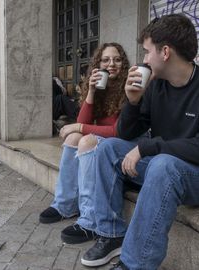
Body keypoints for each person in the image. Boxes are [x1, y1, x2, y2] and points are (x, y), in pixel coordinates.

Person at [81, 14, 199, 269]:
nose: (144, 59)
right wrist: (132, 102)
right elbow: (124, 134)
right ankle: (112, 234)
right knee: (107, 148)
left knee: (163, 165)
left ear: (165, 52)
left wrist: (147, 147)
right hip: (167, 165)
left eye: (147, 52)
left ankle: (136, 264)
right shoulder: (156, 86)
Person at [38, 43, 130, 244]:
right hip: (106, 140)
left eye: (117, 59)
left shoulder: (128, 87)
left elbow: (117, 131)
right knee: (73, 139)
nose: (112, 64)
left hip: (124, 145)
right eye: (106, 60)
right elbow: (84, 120)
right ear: (98, 64)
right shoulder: (99, 87)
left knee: (86, 140)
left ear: (123, 63)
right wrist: (91, 92)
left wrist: (79, 128)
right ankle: (65, 204)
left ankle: (90, 218)